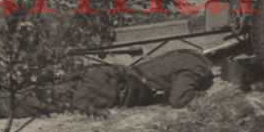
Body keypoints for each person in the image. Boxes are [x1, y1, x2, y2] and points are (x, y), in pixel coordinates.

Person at [73, 48, 213, 110]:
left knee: (60, 93)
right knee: (73, 103)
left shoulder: (186, 55)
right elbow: (179, 99)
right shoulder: (196, 67)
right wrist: (204, 95)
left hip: (112, 75)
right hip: (121, 87)